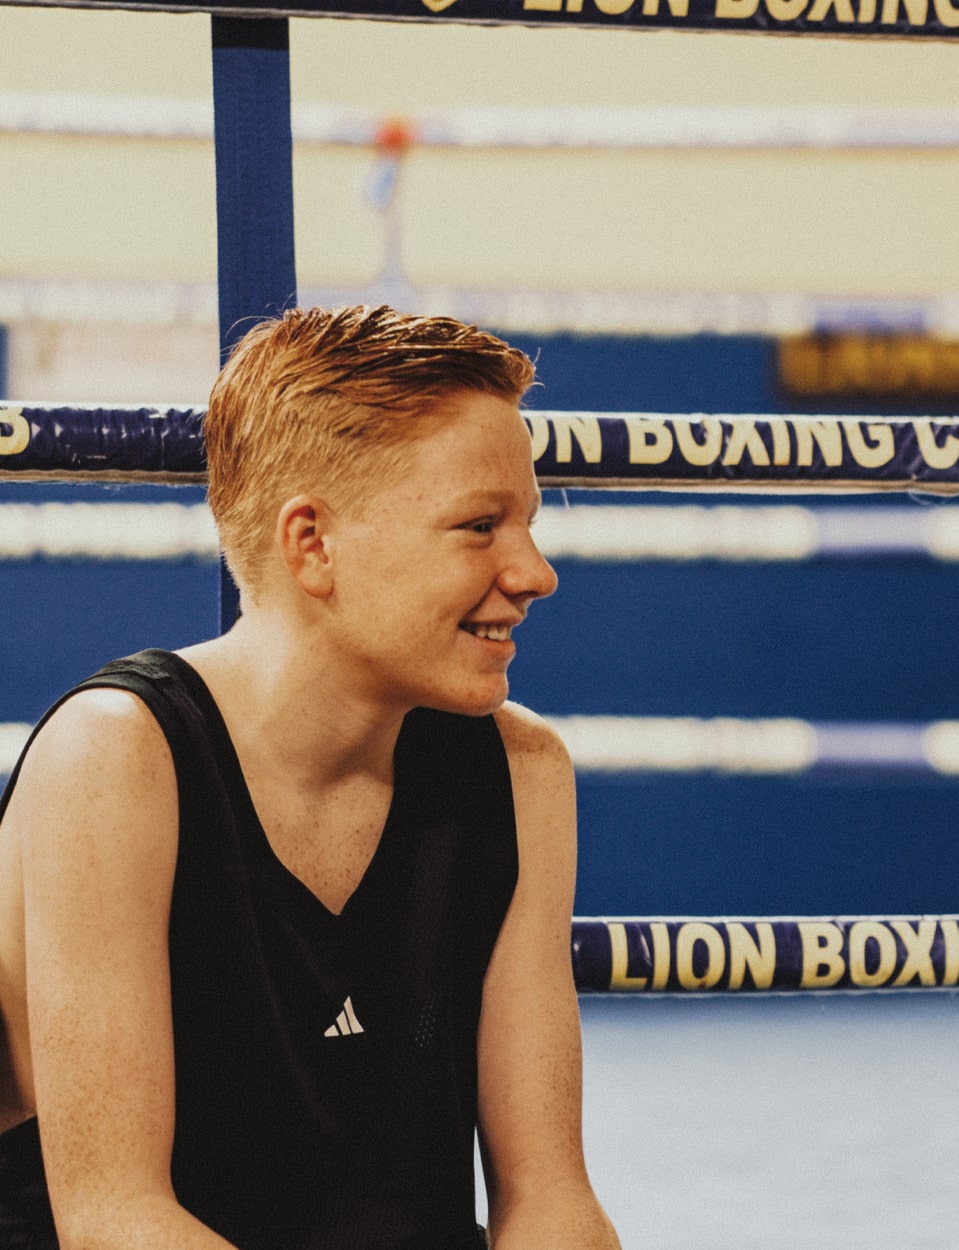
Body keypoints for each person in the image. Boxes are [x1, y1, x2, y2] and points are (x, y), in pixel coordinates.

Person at [0, 306, 622, 1248]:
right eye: (480, 526)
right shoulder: (115, 759)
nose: (536, 572)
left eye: (528, 524)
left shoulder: (521, 768)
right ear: (313, 544)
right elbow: (115, 1221)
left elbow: (551, 1200)